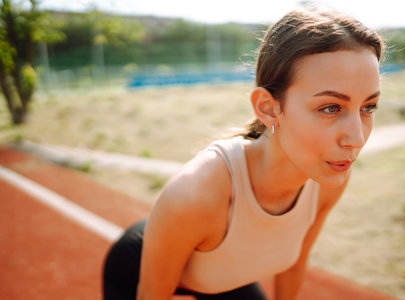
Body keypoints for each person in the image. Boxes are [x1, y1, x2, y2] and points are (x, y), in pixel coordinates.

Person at [103, 6, 384, 300]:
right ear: (268, 107)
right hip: (138, 273)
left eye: (368, 107)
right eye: (330, 108)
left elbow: (294, 265)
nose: (356, 138)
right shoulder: (194, 195)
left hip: (223, 277)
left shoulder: (328, 175)